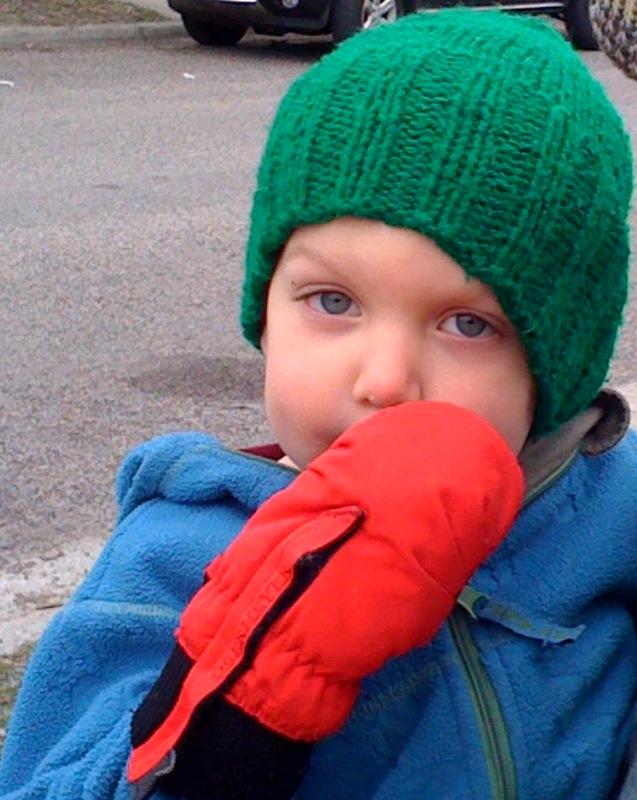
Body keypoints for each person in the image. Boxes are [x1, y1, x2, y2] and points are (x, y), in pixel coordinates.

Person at [0, 9, 635, 800]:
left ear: (555, 369)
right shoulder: (168, 562)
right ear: (265, 311)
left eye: (467, 324)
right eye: (333, 301)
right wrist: (229, 722)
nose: (383, 380)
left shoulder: (606, 509)